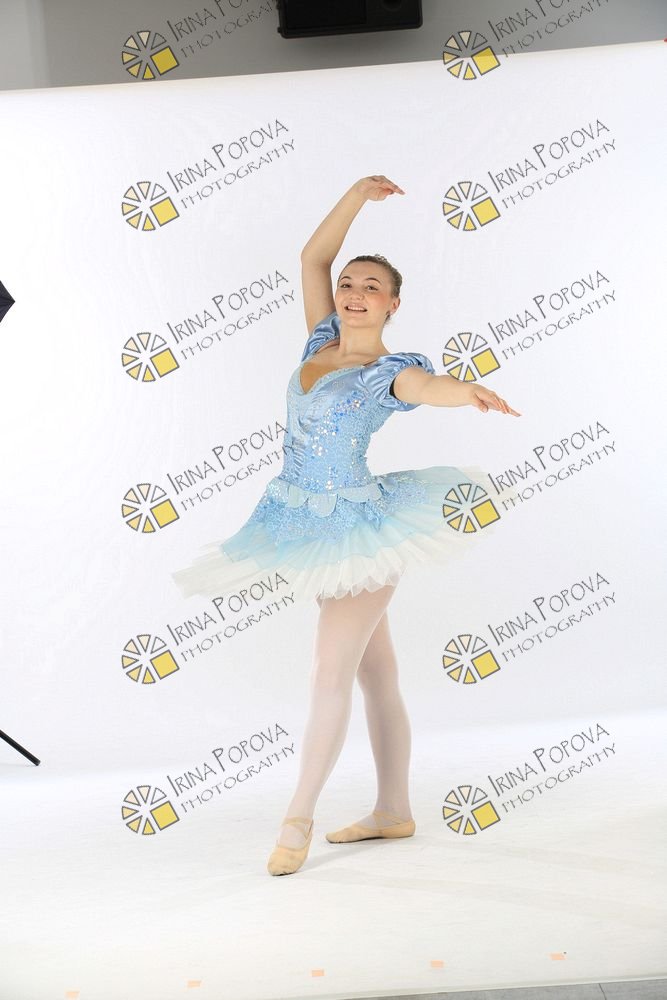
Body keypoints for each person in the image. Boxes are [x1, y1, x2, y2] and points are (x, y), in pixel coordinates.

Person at [172, 175, 520, 876]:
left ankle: (296, 818)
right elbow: (311, 258)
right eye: (349, 284)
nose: (354, 293)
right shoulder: (320, 342)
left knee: (328, 672)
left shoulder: (383, 371)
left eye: (371, 287)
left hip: (359, 531)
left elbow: (426, 387)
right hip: (301, 521)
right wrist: (357, 195)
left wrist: (465, 392)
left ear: (393, 304)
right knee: (375, 673)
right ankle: (394, 810)